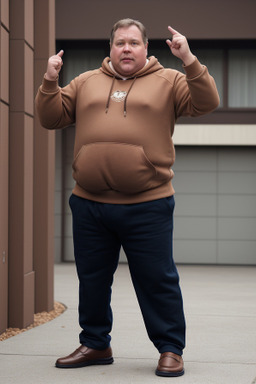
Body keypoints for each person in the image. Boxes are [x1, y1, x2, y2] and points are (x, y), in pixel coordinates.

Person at [35, 18, 219, 377]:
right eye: (120, 43)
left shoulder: (169, 81)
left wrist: (189, 59)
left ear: (146, 49)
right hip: (89, 204)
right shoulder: (86, 81)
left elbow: (207, 102)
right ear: (111, 48)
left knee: (157, 278)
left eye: (134, 43)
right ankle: (95, 343)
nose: (127, 49)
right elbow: (50, 117)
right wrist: (50, 80)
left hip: (147, 204)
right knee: (92, 279)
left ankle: (170, 348)